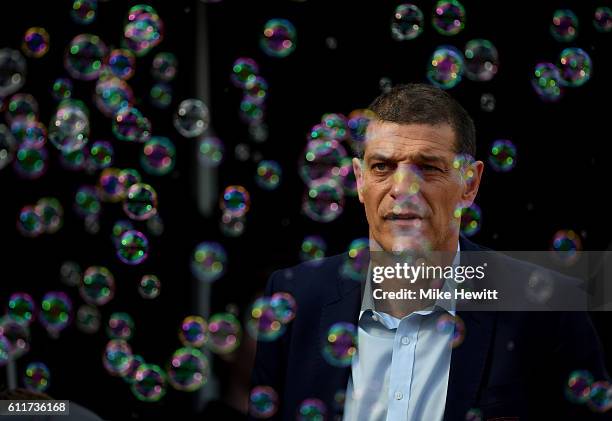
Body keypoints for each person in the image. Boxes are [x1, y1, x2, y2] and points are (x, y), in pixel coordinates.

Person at [250, 84, 610, 420]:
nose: (403, 189)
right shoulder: (295, 296)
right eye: (382, 167)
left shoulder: (550, 308)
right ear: (359, 181)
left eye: (428, 167)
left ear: (469, 184)